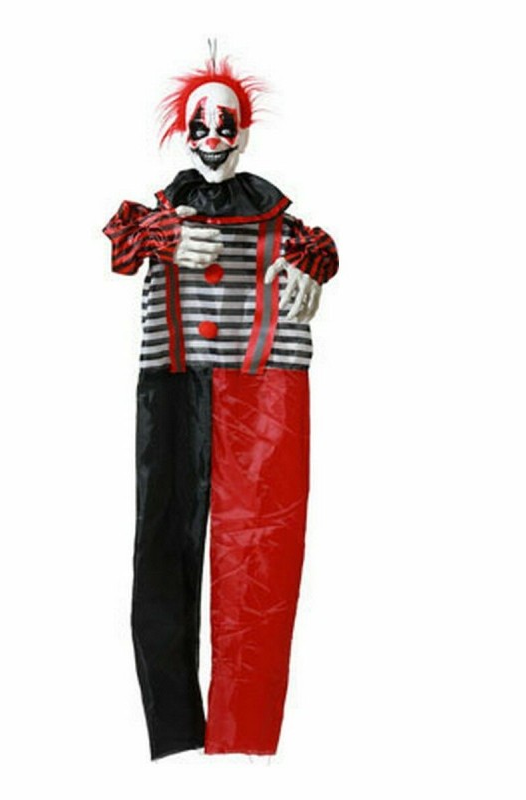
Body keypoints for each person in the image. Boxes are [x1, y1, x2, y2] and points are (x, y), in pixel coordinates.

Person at [102, 49, 339, 760]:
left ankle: (245, 736)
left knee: (261, 554)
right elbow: (120, 249)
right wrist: (164, 237)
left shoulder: (285, 225)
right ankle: (175, 735)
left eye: (225, 125)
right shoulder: (156, 216)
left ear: (246, 133)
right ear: (184, 133)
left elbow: (324, 250)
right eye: (200, 125)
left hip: (266, 388)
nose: (212, 138)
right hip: (173, 382)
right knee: (162, 547)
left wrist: (312, 268)